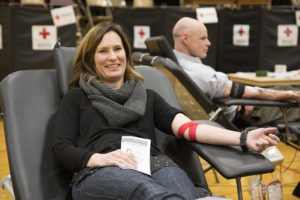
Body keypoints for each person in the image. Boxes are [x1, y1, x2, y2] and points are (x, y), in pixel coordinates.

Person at [52, 21, 280, 200]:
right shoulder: (77, 98)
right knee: (150, 193)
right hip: (99, 172)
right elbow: (61, 148)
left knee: (181, 192)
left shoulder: (148, 97)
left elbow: (189, 128)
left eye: (117, 49)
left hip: (153, 165)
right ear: (91, 59)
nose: (112, 57)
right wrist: (98, 159)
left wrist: (243, 137)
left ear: (126, 53)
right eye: (103, 51)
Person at [172, 17, 300, 127]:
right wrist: (292, 95)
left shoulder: (170, 62)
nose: (209, 43)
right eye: (203, 38)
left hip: (229, 105)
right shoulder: (200, 74)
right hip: (247, 113)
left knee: (284, 88)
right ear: (186, 38)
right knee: (288, 90)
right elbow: (250, 92)